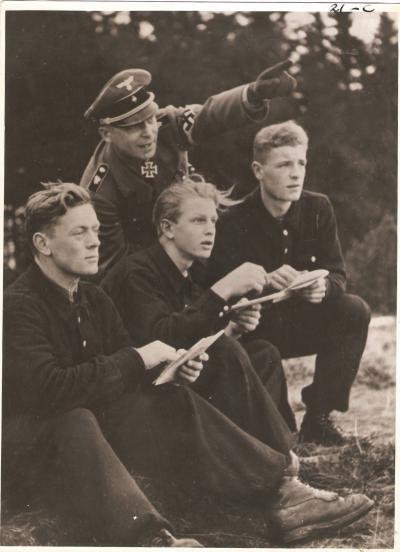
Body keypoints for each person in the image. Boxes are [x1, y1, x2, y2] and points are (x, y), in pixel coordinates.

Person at [3, 183, 374, 546]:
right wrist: (137, 358)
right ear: (43, 244)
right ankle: (153, 539)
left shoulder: (92, 298)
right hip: (35, 458)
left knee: (172, 398)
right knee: (76, 419)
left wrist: (168, 373)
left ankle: (284, 493)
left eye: (96, 230)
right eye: (80, 232)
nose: (95, 241)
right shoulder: (19, 304)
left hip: (91, 444)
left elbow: (124, 369)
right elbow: (49, 390)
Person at [207, 120, 371, 446]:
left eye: (301, 163)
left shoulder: (318, 208)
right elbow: (215, 291)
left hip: (301, 322)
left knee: (354, 310)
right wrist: (263, 281)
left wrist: (323, 288)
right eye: (284, 164)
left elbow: (337, 272)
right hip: (256, 329)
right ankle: (272, 429)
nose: (296, 173)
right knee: (279, 437)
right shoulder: (232, 220)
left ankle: (319, 418)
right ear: (258, 170)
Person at [101, 176, 296, 430]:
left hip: (178, 377)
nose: (210, 230)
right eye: (198, 220)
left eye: (213, 221)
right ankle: (278, 455)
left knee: (264, 354)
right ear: (168, 228)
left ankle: (281, 442)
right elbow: (161, 338)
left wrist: (233, 329)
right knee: (227, 353)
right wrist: (223, 289)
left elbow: (192, 334)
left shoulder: (188, 274)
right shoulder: (137, 273)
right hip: (136, 396)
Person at [80, 61, 297, 276]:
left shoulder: (167, 126)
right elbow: (116, 265)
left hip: (193, 240)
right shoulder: (99, 192)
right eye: (134, 127)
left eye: (149, 120)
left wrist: (251, 95)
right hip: (150, 269)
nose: (148, 132)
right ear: (106, 134)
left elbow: (209, 116)